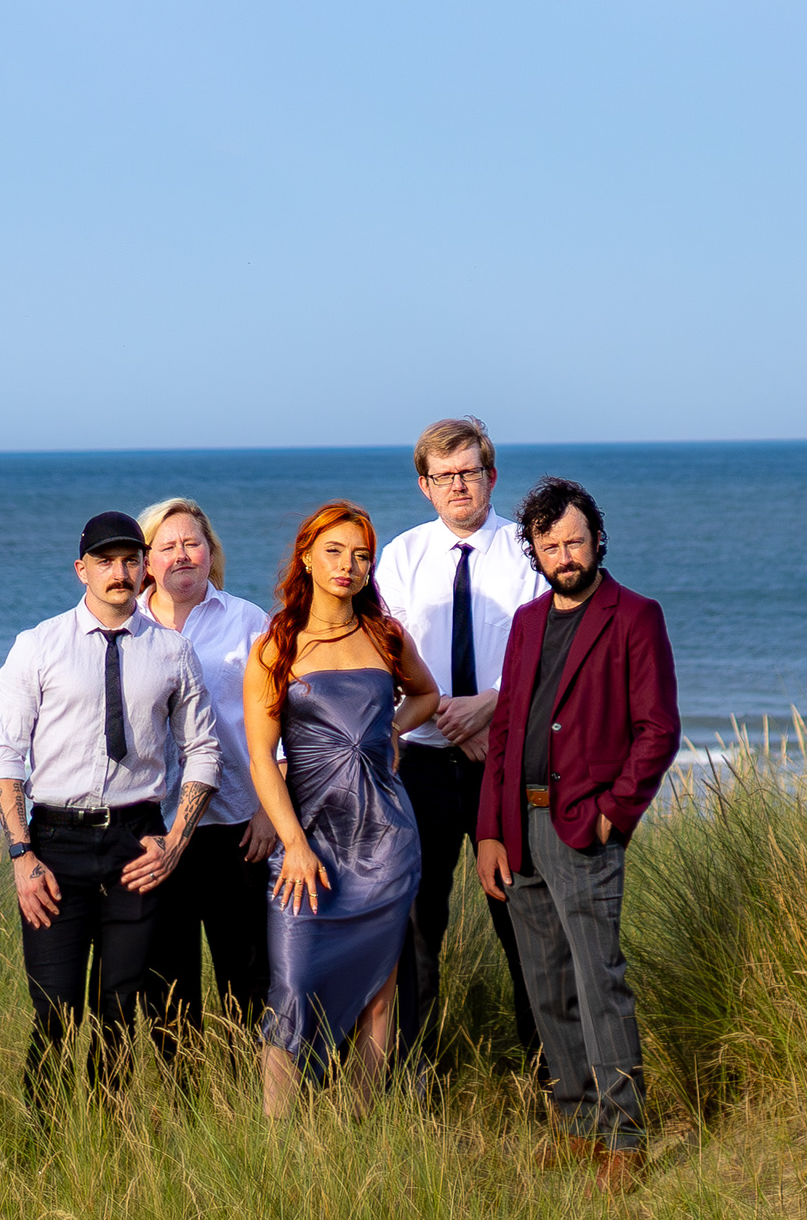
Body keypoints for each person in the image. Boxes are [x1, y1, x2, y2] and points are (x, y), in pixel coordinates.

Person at [472, 477, 677, 1190]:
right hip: (518, 827)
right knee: (546, 984)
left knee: (599, 982)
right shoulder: (527, 622)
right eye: (549, 543)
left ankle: (625, 1135)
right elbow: (504, 733)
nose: (564, 554)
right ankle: (576, 1119)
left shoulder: (634, 616)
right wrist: (491, 832)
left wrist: (612, 815)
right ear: (533, 548)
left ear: (597, 540)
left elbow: (657, 732)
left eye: (575, 540)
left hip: (581, 828)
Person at [0, 508, 222, 1103]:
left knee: (121, 1008)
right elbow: (4, 755)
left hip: (136, 842)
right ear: (81, 570)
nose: (120, 572)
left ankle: (107, 1148)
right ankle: (43, 1144)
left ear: (145, 570)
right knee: (56, 1011)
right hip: (54, 847)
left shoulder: (171, 653)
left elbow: (203, 750)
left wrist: (175, 841)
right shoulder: (37, 647)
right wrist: (21, 854)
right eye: (106, 562)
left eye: (130, 560)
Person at [242, 499, 438, 1112]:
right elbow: (261, 759)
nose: (347, 566)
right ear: (305, 556)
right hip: (310, 844)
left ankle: (356, 1134)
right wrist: (294, 845)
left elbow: (426, 696)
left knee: (381, 993)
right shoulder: (275, 645)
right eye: (334, 551)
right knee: (293, 987)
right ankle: (272, 1151)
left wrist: (390, 731)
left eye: (360, 556)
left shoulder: (385, 636)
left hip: (385, 839)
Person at [374, 414, 544, 1063]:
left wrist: (490, 712)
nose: (458, 486)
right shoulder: (402, 557)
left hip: (503, 765)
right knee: (417, 926)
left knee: (522, 918)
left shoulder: (528, 553)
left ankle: (547, 1076)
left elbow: (544, 654)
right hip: (421, 767)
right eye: (443, 476)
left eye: (468, 472)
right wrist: (449, 715)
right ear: (425, 485)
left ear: (491, 475)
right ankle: (416, 1080)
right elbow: (388, 656)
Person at [139, 495, 279, 1029]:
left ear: (210, 551)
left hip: (237, 827)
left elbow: (279, 721)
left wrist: (269, 811)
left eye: (191, 543)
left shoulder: (247, 621)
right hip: (154, 829)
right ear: (147, 559)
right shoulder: (128, 626)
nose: (181, 555)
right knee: (167, 987)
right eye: (166, 546)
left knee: (248, 975)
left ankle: (250, 1096)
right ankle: (185, 1100)